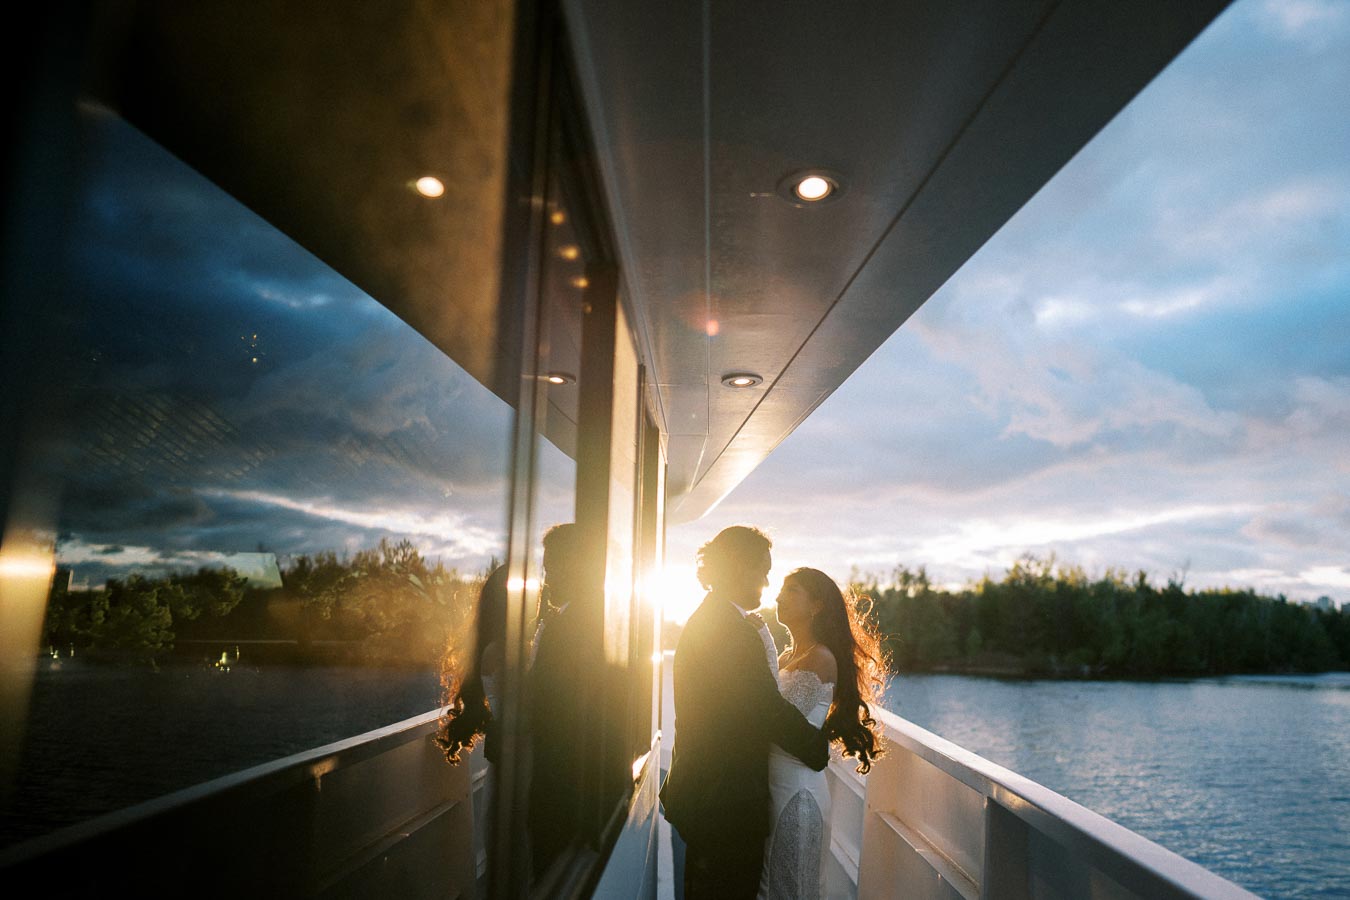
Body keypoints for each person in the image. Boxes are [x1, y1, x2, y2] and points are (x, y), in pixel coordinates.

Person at [661, 526, 829, 899]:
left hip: (710, 797)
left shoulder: (718, 618)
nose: (768, 582)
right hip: (724, 803)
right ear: (739, 568)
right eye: (763, 570)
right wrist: (816, 749)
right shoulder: (726, 629)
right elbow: (763, 707)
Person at [757, 568, 884, 900]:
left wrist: (764, 644)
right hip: (773, 791)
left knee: (793, 891)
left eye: (792, 590)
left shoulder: (821, 659)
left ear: (816, 606)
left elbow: (781, 722)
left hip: (797, 796)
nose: (779, 596)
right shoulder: (788, 657)